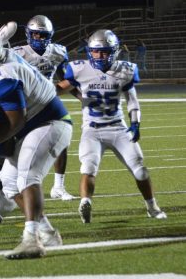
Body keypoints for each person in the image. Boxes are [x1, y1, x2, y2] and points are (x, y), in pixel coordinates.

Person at [0, 30, 73, 259]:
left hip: (50, 122)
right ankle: (47, 232)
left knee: (27, 177)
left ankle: (31, 239)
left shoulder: (3, 76)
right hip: (33, 123)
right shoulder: (3, 58)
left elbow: (16, 120)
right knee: (10, 184)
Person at [56, 29, 166, 224]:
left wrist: (135, 122)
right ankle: (85, 203)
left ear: (114, 51)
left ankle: (152, 206)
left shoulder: (125, 69)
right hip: (92, 129)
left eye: (105, 52)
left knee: (140, 170)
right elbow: (59, 89)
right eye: (96, 52)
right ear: (90, 51)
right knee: (88, 167)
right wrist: (38, 85)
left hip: (118, 128)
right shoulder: (80, 69)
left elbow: (132, 100)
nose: (100, 56)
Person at [13, 15, 74, 201]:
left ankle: (59, 187)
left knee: (61, 142)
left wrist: (76, 95)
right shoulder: (17, 53)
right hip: (24, 104)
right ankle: (10, 186)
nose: (39, 38)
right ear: (28, 34)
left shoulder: (58, 51)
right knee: (15, 145)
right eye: (36, 34)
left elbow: (68, 78)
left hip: (47, 104)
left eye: (43, 34)